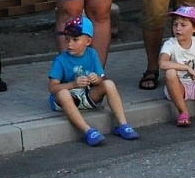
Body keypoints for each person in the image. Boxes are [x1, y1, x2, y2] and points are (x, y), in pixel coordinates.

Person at [47, 16, 139, 146]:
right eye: (67, 39)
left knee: (109, 84)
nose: (69, 44)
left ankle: (123, 125)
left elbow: (102, 78)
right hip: (67, 99)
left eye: (75, 40)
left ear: (88, 41)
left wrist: (97, 79)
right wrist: (73, 84)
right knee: (62, 93)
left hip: (87, 95)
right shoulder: (61, 60)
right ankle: (88, 131)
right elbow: (52, 88)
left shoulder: (92, 54)